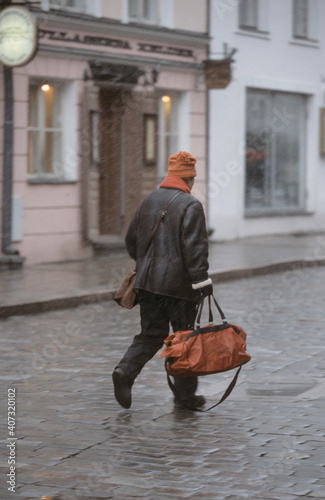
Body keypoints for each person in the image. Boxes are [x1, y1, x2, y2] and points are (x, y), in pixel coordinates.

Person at [112, 151, 212, 410]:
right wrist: (202, 281)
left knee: (151, 334)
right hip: (179, 288)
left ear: (169, 175)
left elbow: (131, 240)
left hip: (147, 284)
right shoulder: (191, 204)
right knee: (184, 341)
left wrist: (147, 263)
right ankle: (185, 399)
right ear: (190, 178)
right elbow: (195, 249)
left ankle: (125, 371)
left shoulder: (149, 200)